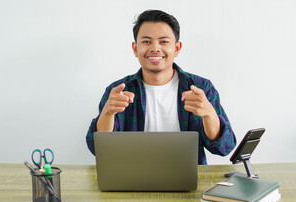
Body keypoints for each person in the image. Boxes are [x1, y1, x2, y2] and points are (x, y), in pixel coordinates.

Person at [86, 9, 236, 164]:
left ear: (176, 48)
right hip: (133, 179)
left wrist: (209, 114)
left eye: (163, 41)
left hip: (187, 179)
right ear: (135, 49)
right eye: (146, 42)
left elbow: (225, 147)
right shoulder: (118, 91)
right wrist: (108, 112)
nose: (155, 48)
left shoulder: (200, 87)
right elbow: (98, 150)